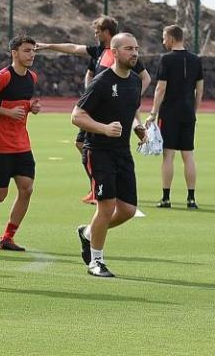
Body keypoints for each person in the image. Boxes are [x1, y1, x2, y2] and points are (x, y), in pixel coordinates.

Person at [36, 16, 151, 204]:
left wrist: (133, 99)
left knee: (86, 145)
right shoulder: (98, 52)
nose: (95, 34)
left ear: (107, 32)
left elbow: (144, 79)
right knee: (81, 143)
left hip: (112, 111)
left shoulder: (126, 56)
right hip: (96, 109)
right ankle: (97, 186)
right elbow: (73, 49)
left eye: (97, 31)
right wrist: (48, 46)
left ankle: (98, 186)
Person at [72, 33, 146, 278]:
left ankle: (88, 233)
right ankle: (96, 262)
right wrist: (104, 128)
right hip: (98, 151)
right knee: (106, 207)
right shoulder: (102, 82)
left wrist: (138, 128)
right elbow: (77, 116)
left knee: (127, 210)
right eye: (128, 49)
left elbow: (131, 110)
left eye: (136, 48)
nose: (134, 53)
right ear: (114, 52)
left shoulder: (135, 81)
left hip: (122, 152)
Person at [0, 36, 42, 251]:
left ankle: (7, 237)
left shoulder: (32, 77)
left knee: (26, 189)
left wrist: (31, 107)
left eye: (33, 51)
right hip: (1, 145)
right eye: (27, 51)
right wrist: (8, 112)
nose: (31, 55)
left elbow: (23, 105)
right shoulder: (2, 77)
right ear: (14, 53)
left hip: (22, 144)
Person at [145, 25, 203, 209]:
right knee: (188, 155)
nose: (163, 41)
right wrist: (194, 110)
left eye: (164, 38)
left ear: (171, 38)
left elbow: (161, 88)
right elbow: (199, 90)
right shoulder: (196, 60)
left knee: (168, 155)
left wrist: (153, 113)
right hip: (188, 113)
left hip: (169, 113)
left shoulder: (166, 59)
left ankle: (166, 198)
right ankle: (191, 199)